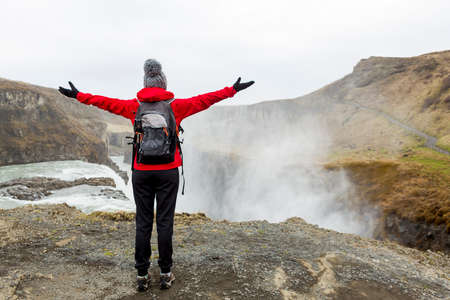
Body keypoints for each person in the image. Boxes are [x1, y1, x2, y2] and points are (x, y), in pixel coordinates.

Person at [58, 59, 254, 291]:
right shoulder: (175, 107)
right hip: (168, 172)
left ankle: (141, 275)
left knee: (143, 223)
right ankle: (165, 273)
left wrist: (79, 95)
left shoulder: (134, 106)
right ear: (163, 84)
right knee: (164, 223)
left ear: (145, 83)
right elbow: (205, 100)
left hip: (141, 172)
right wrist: (231, 90)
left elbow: (105, 103)